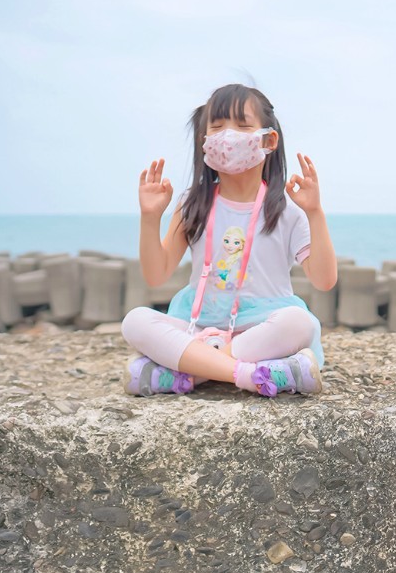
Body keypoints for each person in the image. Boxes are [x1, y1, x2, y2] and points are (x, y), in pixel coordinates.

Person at [120, 83, 337, 398]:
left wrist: (315, 212)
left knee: (299, 322)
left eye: (242, 125)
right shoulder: (192, 204)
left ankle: (188, 373)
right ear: (204, 141)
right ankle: (253, 374)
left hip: (260, 331)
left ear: (268, 140)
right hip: (197, 325)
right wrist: (150, 217)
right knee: (135, 321)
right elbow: (156, 275)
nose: (228, 136)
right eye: (217, 127)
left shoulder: (287, 211)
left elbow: (325, 280)